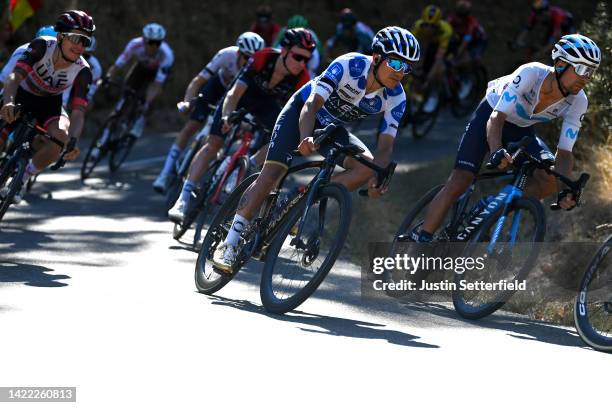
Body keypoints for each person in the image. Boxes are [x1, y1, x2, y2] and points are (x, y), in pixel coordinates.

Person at [211, 26, 420, 271]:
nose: (401, 72)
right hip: (301, 113)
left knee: (366, 167)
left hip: (330, 127)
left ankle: (302, 199)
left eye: (407, 67)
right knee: (272, 173)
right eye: (396, 63)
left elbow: (386, 147)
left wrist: (378, 176)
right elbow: (311, 105)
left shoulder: (397, 97)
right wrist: (305, 137)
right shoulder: (349, 65)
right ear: (377, 57)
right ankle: (229, 242)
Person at [413, 34, 601, 243]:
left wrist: (565, 189)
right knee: (461, 179)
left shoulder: (579, 101)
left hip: (521, 129)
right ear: (560, 63)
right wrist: (496, 150)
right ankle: (421, 240)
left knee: (549, 179)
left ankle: (492, 207)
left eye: (591, 72)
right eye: (582, 70)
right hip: (491, 115)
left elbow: (565, 152)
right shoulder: (531, 74)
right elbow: (496, 118)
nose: (586, 78)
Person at [167, 28, 315, 223]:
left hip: (266, 105)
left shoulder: (302, 78)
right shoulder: (262, 58)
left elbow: (299, 114)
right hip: (241, 97)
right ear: (284, 50)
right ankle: (183, 199)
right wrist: (227, 116)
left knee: (285, 135)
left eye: (307, 59)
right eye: (298, 57)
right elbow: (234, 93)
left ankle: (249, 164)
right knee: (213, 144)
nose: (302, 64)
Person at [0, 10, 95, 203]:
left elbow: (78, 111)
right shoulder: (42, 46)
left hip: (50, 103)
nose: (80, 46)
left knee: (61, 136)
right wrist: (8, 102)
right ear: (60, 36)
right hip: (21, 93)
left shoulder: (83, 71)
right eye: (76, 38)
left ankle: (22, 178)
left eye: (86, 42)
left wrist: (73, 141)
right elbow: (14, 77)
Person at [152, 32, 265, 194]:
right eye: (246, 57)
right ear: (238, 52)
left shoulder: (256, 67)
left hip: (236, 95)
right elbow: (198, 80)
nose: (249, 62)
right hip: (217, 87)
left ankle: (207, 169)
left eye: (252, 59)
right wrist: (187, 101)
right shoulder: (226, 55)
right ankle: (164, 174)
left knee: (222, 137)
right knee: (191, 126)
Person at [105, 23, 174, 140]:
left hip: (156, 74)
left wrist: (147, 103)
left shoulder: (166, 55)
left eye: (158, 43)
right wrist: (108, 77)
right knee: (124, 97)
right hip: (140, 68)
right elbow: (118, 65)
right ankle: (104, 138)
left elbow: (157, 85)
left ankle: (140, 121)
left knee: (152, 98)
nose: (154, 46)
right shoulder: (134, 45)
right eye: (151, 42)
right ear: (143, 40)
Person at [411, 4, 454, 112]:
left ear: (438, 25)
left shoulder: (445, 31)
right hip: (431, 44)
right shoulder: (418, 26)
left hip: (449, 46)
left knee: (439, 70)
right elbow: (408, 46)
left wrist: (428, 80)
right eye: (426, 25)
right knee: (422, 69)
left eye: (432, 26)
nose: (429, 29)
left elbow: (438, 59)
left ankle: (434, 94)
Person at [446, 0, 487, 98]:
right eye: (458, 15)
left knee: (467, 60)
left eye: (462, 16)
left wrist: (457, 55)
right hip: (461, 40)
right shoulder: (451, 19)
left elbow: (465, 42)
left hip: (478, 41)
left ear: (467, 15)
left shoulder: (471, 23)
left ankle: (466, 80)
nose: (459, 19)